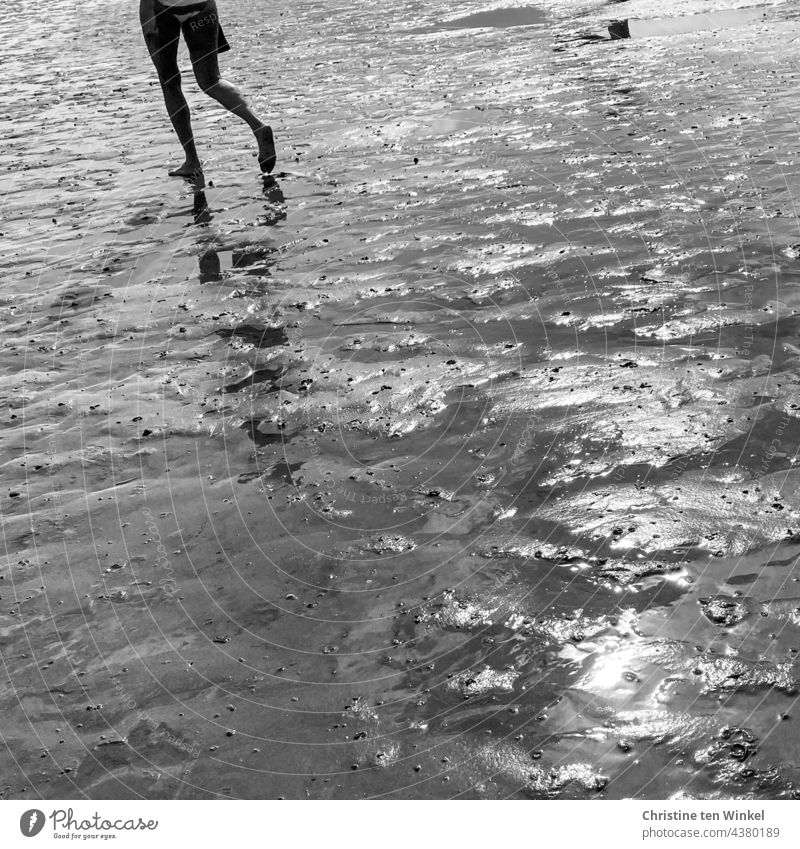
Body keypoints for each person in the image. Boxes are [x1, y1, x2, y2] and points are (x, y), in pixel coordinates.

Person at [139, 0, 276, 183]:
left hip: (163, 10)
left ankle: (192, 161)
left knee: (170, 82)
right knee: (212, 80)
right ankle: (257, 125)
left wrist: (147, 14)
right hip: (202, 6)